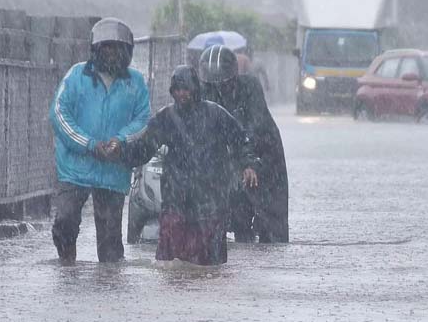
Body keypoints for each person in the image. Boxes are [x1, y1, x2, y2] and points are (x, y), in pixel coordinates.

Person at [95, 66, 259, 266]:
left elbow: (241, 140)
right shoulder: (166, 118)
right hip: (176, 199)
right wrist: (120, 152)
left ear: (195, 89)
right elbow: (143, 149)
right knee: (170, 263)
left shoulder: (216, 114)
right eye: (178, 90)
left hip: (210, 201)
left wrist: (248, 165)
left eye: (186, 89)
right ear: (172, 91)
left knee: (211, 265)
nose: (182, 94)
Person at [50, 17, 151, 265]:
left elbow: (143, 120)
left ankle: (109, 288)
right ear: (96, 49)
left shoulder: (135, 83)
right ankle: (66, 267)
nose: (112, 53)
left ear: (126, 52)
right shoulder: (76, 76)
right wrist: (89, 144)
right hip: (75, 167)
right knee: (65, 220)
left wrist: (120, 141)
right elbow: (60, 114)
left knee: (110, 242)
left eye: (118, 48)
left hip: (113, 169)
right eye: (106, 47)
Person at [198, 45, 289, 243]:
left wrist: (249, 162)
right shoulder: (202, 91)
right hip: (228, 156)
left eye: (224, 84)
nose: (219, 89)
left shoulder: (250, 87)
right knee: (224, 210)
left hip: (263, 152)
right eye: (213, 85)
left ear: (233, 78)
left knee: (269, 220)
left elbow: (255, 126)